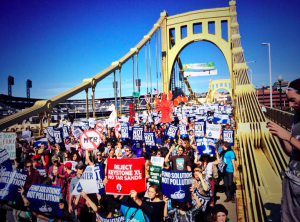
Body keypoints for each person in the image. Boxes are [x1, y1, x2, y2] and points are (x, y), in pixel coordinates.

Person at [266, 78, 300, 221]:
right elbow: (290, 152)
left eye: (293, 100)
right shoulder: (296, 118)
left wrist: (289, 137)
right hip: (291, 179)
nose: (290, 105)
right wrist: (281, 136)